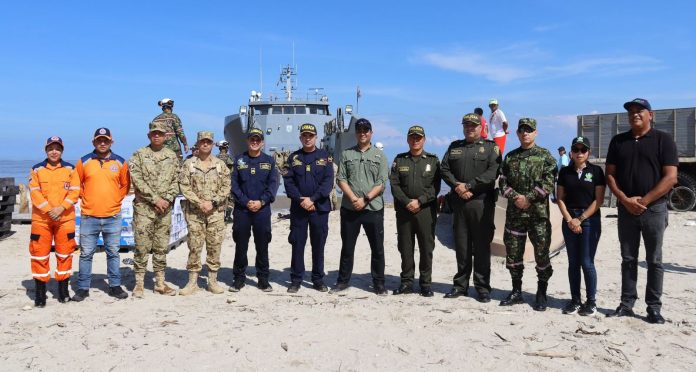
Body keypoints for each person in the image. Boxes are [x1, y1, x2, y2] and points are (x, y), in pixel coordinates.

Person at [605, 98, 678, 324]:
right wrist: (625, 200)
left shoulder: (663, 140)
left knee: (654, 260)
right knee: (628, 258)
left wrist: (643, 201)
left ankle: (653, 308)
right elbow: (610, 174)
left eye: (640, 111)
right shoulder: (619, 142)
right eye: (631, 112)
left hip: (654, 209)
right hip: (626, 210)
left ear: (650, 115)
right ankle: (627, 304)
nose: (635, 114)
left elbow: (671, 177)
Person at [441, 114, 501, 302]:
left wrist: (469, 186)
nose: (470, 128)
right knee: (462, 245)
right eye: (466, 125)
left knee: (482, 246)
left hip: (481, 203)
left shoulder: (491, 148)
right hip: (459, 203)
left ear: (481, 127)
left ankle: (482, 288)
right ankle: (461, 285)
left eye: (473, 126)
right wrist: (457, 186)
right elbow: (444, 169)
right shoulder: (454, 147)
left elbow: (493, 172)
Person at [498, 118, 556, 311]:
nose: (525, 133)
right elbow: (503, 182)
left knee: (541, 254)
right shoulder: (510, 157)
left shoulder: (545, 156)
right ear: (517, 133)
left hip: (537, 216)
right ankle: (516, 291)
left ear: (536, 133)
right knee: (513, 255)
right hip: (515, 215)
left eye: (529, 130)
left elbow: (548, 183)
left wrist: (528, 198)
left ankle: (541, 292)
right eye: (522, 130)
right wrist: (516, 198)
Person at [332, 118, 390, 295]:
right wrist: (353, 198)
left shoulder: (379, 156)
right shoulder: (347, 154)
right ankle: (342, 281)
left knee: (377, 248)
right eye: (359, 130)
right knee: (347, 247)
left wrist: (365, 199)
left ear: (371, 133)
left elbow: (382, 182)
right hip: (350, 209)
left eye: (366, 130)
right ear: (356, 133)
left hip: (373, 208)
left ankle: (379, 284)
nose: (362, 133)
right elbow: (341, 178)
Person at [73, 127, 131, 301]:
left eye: (106, 140)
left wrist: (113, 200)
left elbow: (125, 186)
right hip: (89, 216)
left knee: (113, 253)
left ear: (111, 142)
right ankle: (83, 288)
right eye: (99, 140)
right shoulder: (83, 162)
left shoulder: (120, 162)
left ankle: (114, 286)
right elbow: (78, 185)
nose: (102, 143)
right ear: (94, 142)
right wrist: (88, 200)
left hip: (112, 216)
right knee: (86, 254)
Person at [129, 121, 181, 298]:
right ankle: (139, 285)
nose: (157, 136)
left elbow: (177, 180)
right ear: (149, 136)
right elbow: (136, 179)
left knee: (161, 247)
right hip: (145, 208)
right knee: (142, 247)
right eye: (154, 133)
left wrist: (166, 199)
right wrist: (155, 199)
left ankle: (159, 283)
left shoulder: (172, 156)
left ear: (166, 136)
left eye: (160, 133)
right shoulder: (139, 155)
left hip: (164, 210)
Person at [28, 136, 80, 307]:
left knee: (65, 254)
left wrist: (61, 208)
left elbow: (75, 192)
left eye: (57, 148)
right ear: (46, 150)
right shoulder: (36, 170)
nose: (54, 151)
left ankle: (63, 292)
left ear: (62, 151)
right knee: (39, 255)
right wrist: (50, 210)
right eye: (51, 148)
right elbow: (34, 193)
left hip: (65, 219)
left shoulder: (70, 169)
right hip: (41, 220)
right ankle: (40, 295)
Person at [389, 125, 441, 297]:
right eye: (412, 137)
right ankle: (406, 283)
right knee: (405, 247)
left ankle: (425, 284)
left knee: (426, 248)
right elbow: (394, 185)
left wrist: (420, 201)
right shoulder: (400, 160)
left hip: (425, 211)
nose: (415, 140)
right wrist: (406, 202)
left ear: (424, 140)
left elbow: (435, 187)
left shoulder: (433, 161)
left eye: (418, 138)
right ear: (407, 140)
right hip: (404, 211)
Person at [556, 136, 605, 315]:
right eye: (575, 150)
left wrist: (580, 219)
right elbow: (560, 198)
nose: (579, 153)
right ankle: (575, 300)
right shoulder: (565, 172)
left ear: (588, 152)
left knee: (586, 262)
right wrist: (570, 220)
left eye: (583, 150)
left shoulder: (597, 171)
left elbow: (598, 200)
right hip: (569, 218)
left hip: (589, 220)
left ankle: (591, 302)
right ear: (571, 152)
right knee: (573, 262)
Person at [178, 131, 231, 295]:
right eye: (202, 142)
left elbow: (226, 186)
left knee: (214, 246)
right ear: (198, 143)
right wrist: (199, 202)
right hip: (195, 212)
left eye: (208, 142)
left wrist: (213, 202)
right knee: (194, 246)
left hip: (215, 212)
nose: (205, 144)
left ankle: (212, 281)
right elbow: (184, 186)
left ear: (213, 144)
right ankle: (192, 282)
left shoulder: (220, 165)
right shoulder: (189, 164)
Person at [283, 123, 334, 293]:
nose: (307, 138)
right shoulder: (293, 158)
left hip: (319, 208)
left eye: (310, 135)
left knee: (318, 244)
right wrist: (300, 200)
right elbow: (288, 182)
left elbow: (327, 183)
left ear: (316, 138)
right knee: (297, 244)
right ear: (300, 138)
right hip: (299, 209)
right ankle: (296, 280)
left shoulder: (325, 157)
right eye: (304, 135)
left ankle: (318, 279)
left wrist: (312, 199)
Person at [229, 128, 279, 292]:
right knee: (241, 245)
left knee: (262, 245)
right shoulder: (239, 160)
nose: (255, 142)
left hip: (262, 210)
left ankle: (263, 279)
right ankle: (239, 278)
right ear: (247, 141)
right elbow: (234, 185)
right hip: (242, 210)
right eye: (252, 139)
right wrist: (245, 201)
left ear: (262, 142)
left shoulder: (269, 162)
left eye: (258, 140)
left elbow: (273, 185)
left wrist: (262, 201)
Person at [216, 140, 235, 223]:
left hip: (217, 182)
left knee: (220, 199)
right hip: (227, 181)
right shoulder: (228, 157)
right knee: (231, 199)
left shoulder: (215, 158)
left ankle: (220, 217)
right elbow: (232, 169)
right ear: (226, 147)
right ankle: (227, 217)